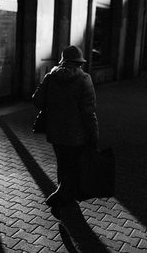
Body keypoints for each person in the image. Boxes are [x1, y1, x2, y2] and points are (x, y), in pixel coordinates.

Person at [32, 45, 99, 218]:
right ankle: (61, 197)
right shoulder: (84, 79)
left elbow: (37, 100)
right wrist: (94, 135)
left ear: (63, 61)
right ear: (78, 63)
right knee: (74, 166)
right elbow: (89, 112)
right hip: (77, 135)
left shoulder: (50, 77)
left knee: (63, 164)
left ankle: (65, 195)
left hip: (55, 133)